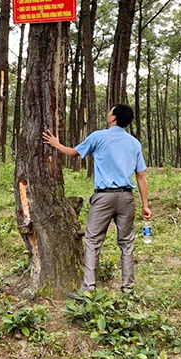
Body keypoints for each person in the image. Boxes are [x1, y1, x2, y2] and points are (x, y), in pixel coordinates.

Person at [43, 104, 152, 294]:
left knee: (93, 241)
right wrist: (145, 205)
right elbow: (141, 176)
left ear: (113, 118)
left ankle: (88, 289)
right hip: (127, 198)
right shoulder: (134, 143)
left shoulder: (98, 137)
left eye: (110, 111)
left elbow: (72, 153)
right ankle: (128, 289)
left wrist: (56, 144)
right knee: (126, 243)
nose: (108, 113)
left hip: (103, 197)